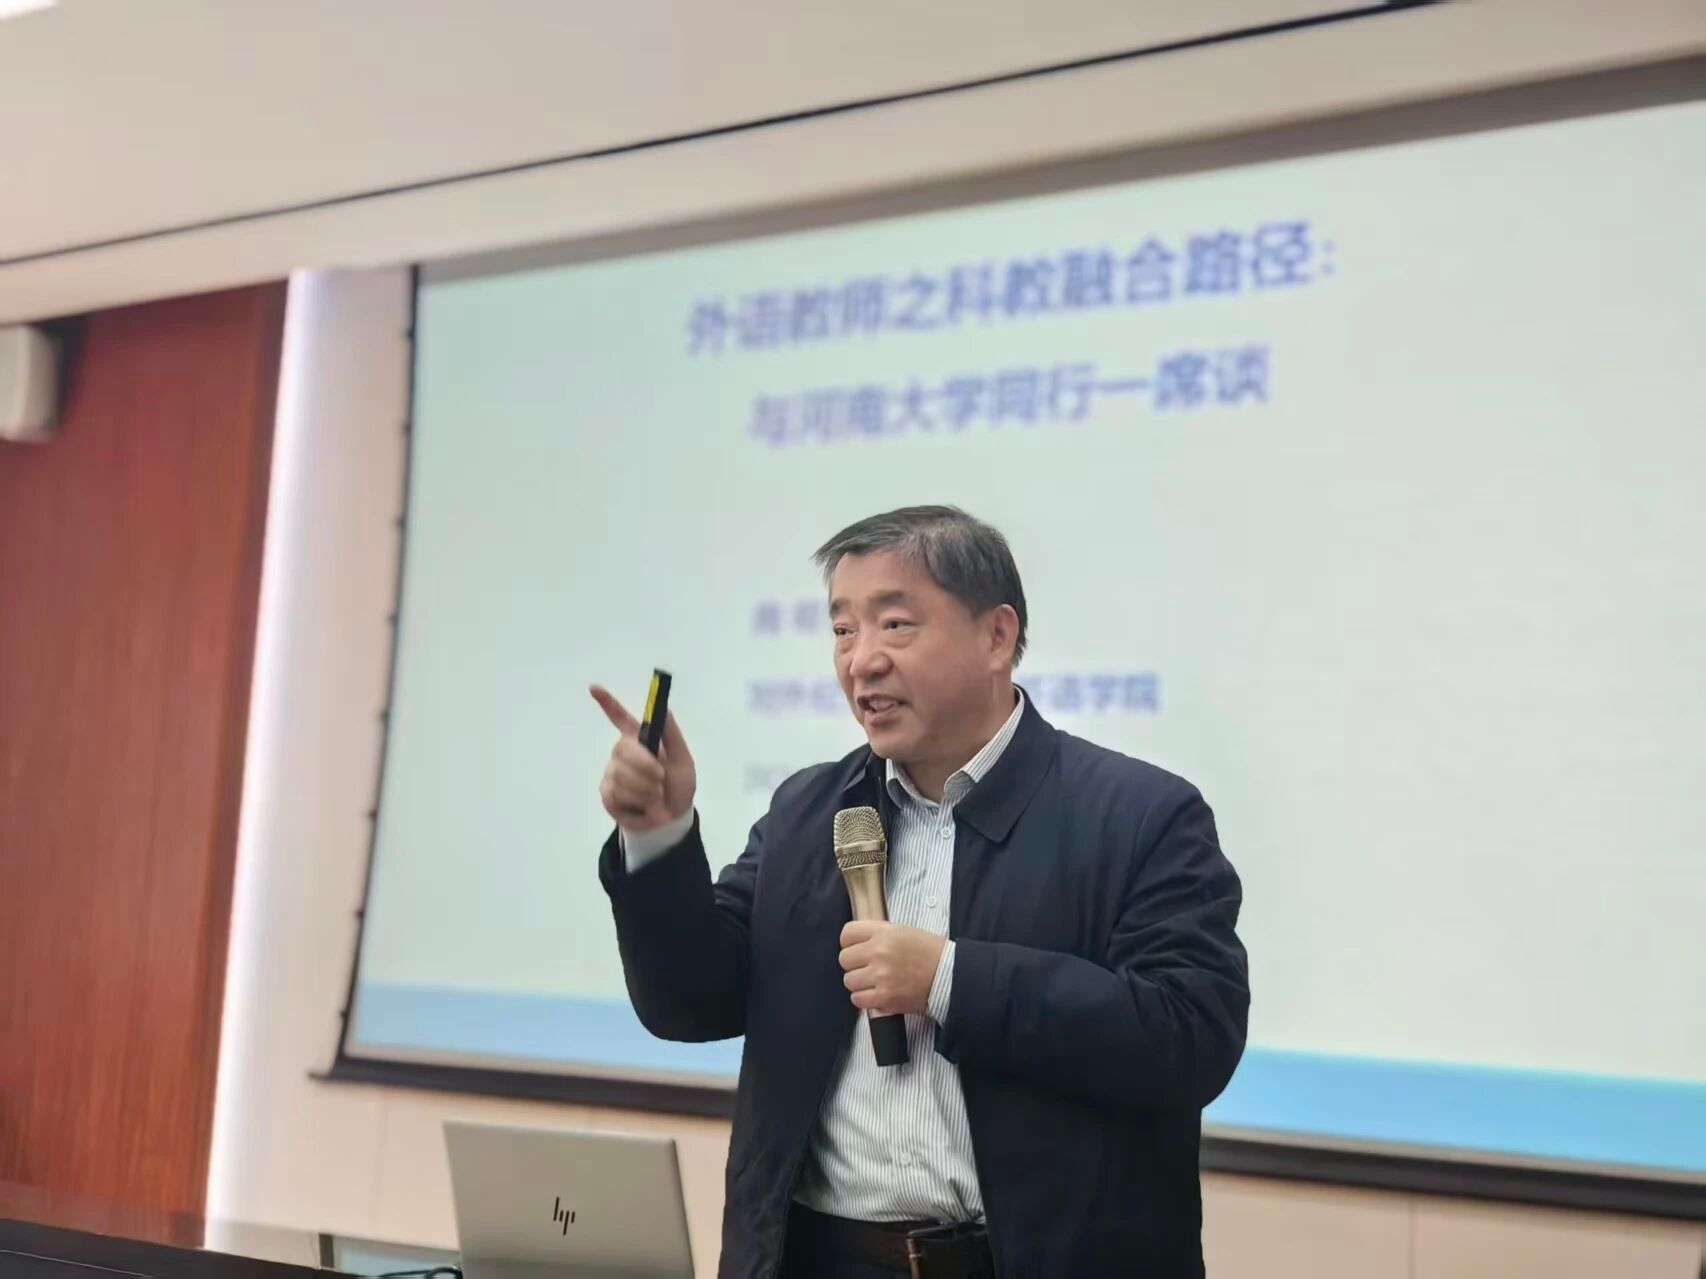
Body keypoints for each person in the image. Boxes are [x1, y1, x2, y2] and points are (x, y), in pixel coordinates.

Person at [593, 505, 1248, 1279]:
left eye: (895, 625)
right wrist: (659, 836)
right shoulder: (809, 812)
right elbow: (690, 1001)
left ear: (996, 636)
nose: (862, 660)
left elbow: (1189, 1037)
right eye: (843, 629)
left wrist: (948, 979)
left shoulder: (1140, 816)